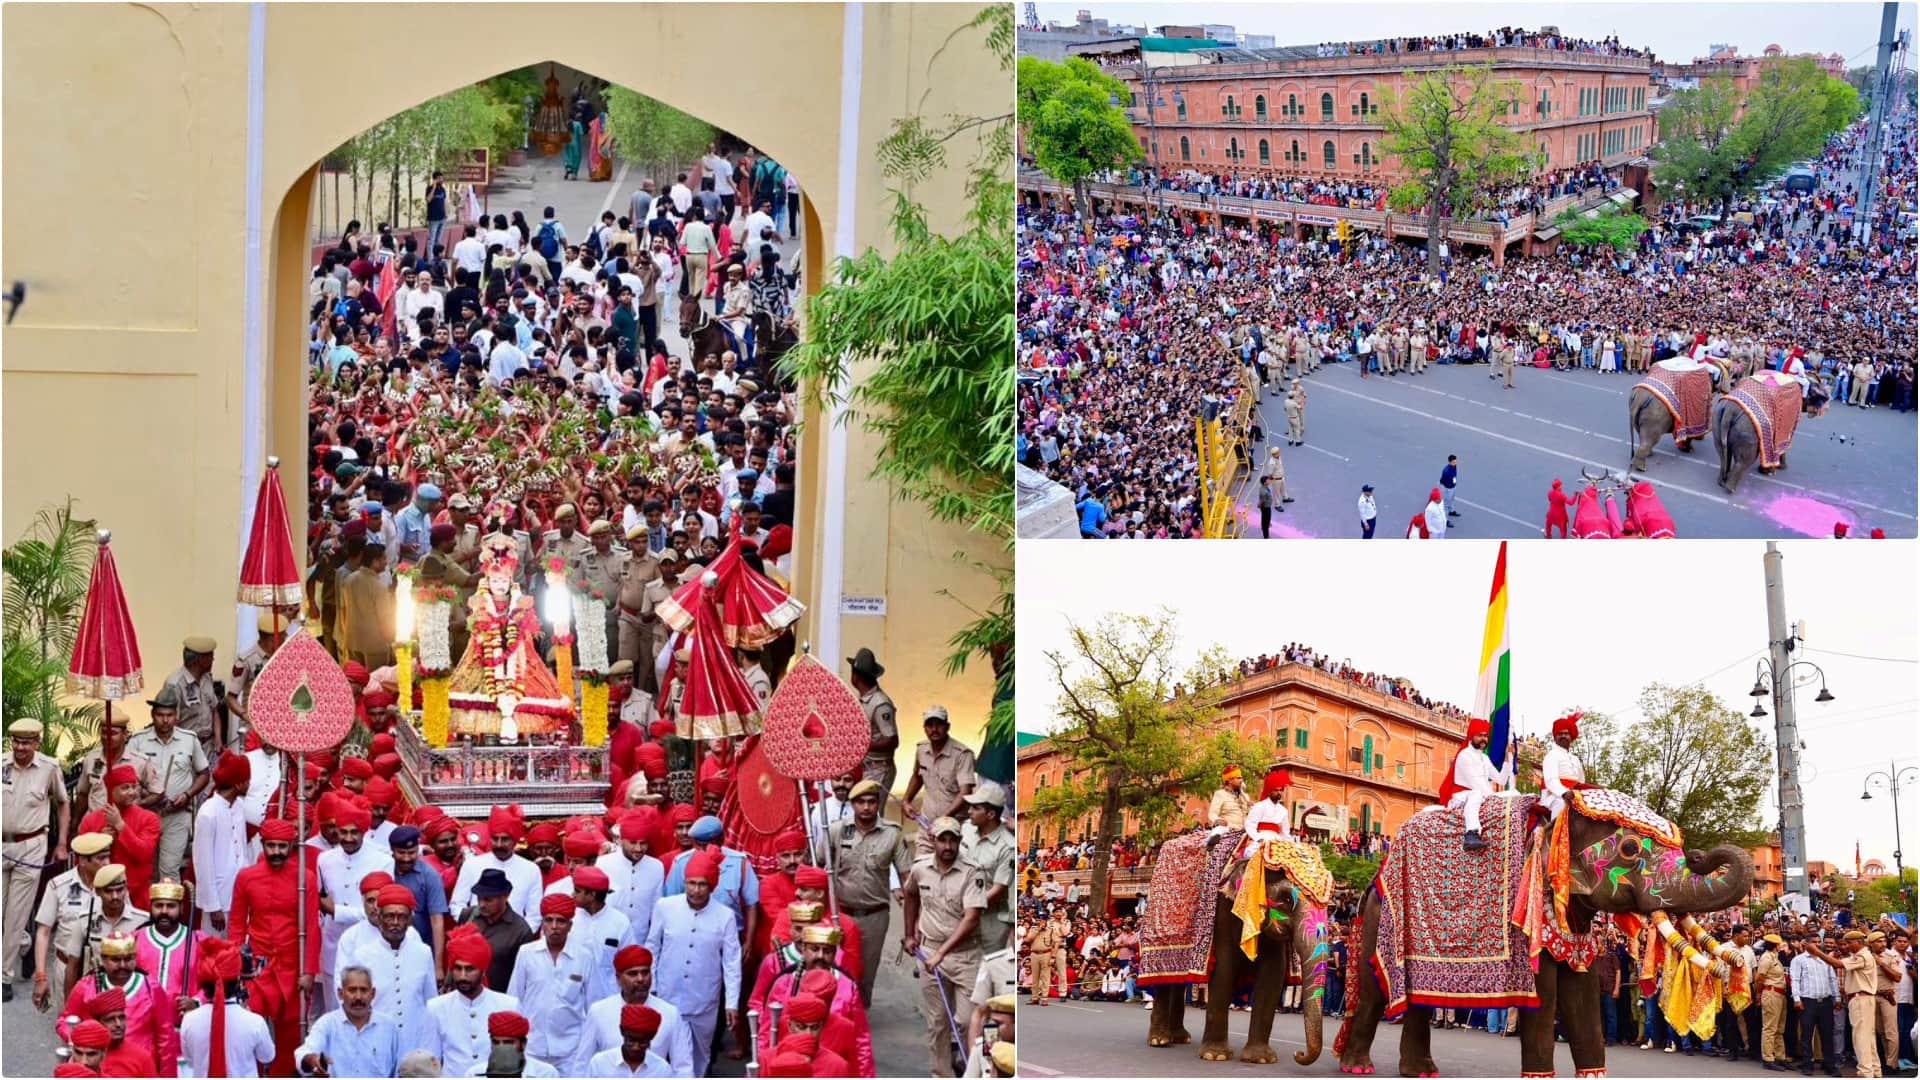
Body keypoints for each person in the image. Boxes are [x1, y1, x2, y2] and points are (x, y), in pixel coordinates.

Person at [228, 818, 322, 1076]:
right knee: (250, 1027)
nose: (277, 852)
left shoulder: (306, 879)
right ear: (263, 845)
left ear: (291, 846)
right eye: (271, 846)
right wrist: (235, 964)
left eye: (282, 846)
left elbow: (312, 927)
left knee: (290, 1034)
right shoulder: (246, 877)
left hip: (293, 966)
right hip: (257, 968)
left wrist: (309, 971)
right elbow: (236, 924)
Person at [902, 817, 987, 1077]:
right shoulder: (920, 869)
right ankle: (941, 1073)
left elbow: (972, 918)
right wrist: (909, 934)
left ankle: (974, 1070)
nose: (948, 845)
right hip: (929, 953)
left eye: (953, 840)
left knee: (968, 1021)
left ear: (960, 842)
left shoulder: (973, 871)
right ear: (933, 841)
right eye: (942, 839)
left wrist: (941, 954)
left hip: (965, 957)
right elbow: (911, 895)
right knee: (937, 1023)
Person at [644, 848, 740, 1077]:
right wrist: (652, 986)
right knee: (658, 1051)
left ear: (712, 886)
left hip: (704, 998)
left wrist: (732, 1003)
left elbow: (731, 961)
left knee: (700, 1054)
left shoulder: (724, 915)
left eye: (702, 884)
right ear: (684, 882)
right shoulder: (665, 907)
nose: (696, 890)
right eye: (691, 883)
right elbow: (652, 948)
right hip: (666, 995)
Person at [816, 778, 907, 1005]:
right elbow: (818, 865)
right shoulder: (836, 830)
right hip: (841, 914)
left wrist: (912, 921)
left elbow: (908, 878)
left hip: (874, 916)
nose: (866, 807)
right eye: (860, 802)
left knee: (865, 973)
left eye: (871, 802)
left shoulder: (893, 834)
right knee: (836, 967)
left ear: (878, 804)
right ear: (853, 804)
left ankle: (859, 1016)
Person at [5, 718, 71, 1002]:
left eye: (26, 742)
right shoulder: (1, 764)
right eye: (16, 741)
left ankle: (4, 975)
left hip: (31, 845)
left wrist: (61, 843)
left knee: (16, 913)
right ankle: (23, 941)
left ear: (37, 743)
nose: (20, 747)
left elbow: (63, 802)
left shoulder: (49, 767)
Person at [128, 684, 209, 882]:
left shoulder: (189, 740)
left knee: (169, 873)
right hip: (145, 815)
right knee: (145, 871)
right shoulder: (138, 741)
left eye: (170, 715)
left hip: (176, 815)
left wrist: (188, 795)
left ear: (177, 716)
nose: (165, 720)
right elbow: (127, 775)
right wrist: (146, 795)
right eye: (160, 715)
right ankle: (146, 913)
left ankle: (168, 913)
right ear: (152, 715)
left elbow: (204, 773)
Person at [506, 894, 596, 1072]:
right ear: (543, 923)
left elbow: (592, 1004)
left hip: (571, 1050)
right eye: (549, 920)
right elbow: (514, 998)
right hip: (532, 1047)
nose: (554, 927)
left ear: (570, 926)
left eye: (561, 921)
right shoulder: (526, 953)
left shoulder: (584, 956)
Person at [582, 945, 695, 1077]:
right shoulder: (599, 1012)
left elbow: (683, 1068)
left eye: (645, 972)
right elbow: (582, 1063)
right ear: (618, 978)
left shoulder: (670, 1013)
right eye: (633, 974)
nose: (641, 979)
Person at [179, 938, 277, 1078]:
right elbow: (267, 1057)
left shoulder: (189, 1020)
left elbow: (190, 1061)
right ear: (238, 980)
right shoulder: (254, 1022)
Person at [297, 964, 404, 1079]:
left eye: (363, 990)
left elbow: (398, 1070)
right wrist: (311, 1059)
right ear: (340, 993)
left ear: (372, 994)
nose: (358, 997)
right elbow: (304, 1052)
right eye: (352, 990)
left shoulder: (388, 1027)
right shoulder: (327, 1024)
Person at [903, 705, 977, 856]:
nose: (934, 729)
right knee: (922, 870)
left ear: (947, 726)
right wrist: (906, 800)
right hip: (927, 825)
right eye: (929, 725)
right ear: (924, 728)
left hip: (954, 828)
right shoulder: (921, 749)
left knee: (952, 874)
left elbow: (965, 792)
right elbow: (917, 776)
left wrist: (944, 818)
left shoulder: (963, 754)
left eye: (939, 724)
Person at [191, 751, 251, 934]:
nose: (250, 784)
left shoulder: (239, 807)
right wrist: (212, 906)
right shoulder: (208, 813)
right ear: (239, 784)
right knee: (215, 954)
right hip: (218, 899)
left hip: (240, 892)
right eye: (247, 780)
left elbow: (241, 850)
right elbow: (202, 863)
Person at [1438, 718, 1514, 852]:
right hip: (1462, 796)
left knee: (1514, 794)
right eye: (1480, 736)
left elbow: (1501, 780)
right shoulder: (1464, 756)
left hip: (1483, 795)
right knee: (1476, 793)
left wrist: (1509, 758)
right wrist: (1494, 799)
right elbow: (1476, 784)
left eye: (1485, 736)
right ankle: (1471, 834)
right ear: (1471, 736)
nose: (1483, 739)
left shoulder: (1484, 758)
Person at [1792, 933, 1844, 1077]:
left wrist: (1837, 998)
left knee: (1827, 1034)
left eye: (1818, 941)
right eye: (1813, 942)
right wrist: (1797, 999)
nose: (1817, 944)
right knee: (1807, 1035)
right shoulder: (1799, 960)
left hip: (1825, 1001)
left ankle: (1830, 1065)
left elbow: (1832, 979)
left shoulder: (1825, 960)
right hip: (1807, 1001)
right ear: (1806, 944)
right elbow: (1795, 980)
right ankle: (1807, 1064)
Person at [848, 649, 898, 797]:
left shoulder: (880, 704)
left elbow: (892, 741)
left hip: (879, 769)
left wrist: (861, 745)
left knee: (871, 814)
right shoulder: (864, 699)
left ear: (855, 676)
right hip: (866, 767)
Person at [162, 636, 222, 758]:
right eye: (210, 656)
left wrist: (218, 738)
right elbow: (168, 723)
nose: (213, 659)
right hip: (185, 749)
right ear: (198, 660)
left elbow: (214, 710)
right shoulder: (175, 684)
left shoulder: (207, 678)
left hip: (208, 748)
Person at [587, 1003, 675, 1077]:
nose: (636, 1047)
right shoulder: (599, 1064)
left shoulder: (662, 1069)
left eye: (642, 1042)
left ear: (651, 1039)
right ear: (622, 1032)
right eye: (631, 1040)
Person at [1840, 930, 1882, 1078]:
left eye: (1849, 943)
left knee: (1860, 1037)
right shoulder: (1862, 954)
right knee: (1868, 1037)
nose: (1847, 946)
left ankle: (1865, 1072)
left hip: (1861, 998)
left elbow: (1838, 963)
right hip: (1864, 998)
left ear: (1857, 942)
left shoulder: (1862, 955)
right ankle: (1874, 1070)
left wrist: (1816, 952)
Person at [1538, 712, 1588, 821]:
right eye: (1560, 734)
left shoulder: (1575, 759)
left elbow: (1581, 781)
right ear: (1555, 737)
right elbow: (1551, 780)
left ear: (1571, 737)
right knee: (1561, 804)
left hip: (1574, 795)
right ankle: (1555, 836)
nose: (1563, 736)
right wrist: (1564, 792)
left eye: (1566, 733)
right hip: (1554, 796)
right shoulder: (1551, 755)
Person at [1757, 932, 1791, 1069]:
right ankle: (1768, 1058)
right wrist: (1758, 994)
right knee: (1770, 1028)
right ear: (1775, 945)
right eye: (1779, 944)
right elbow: (1760, 978)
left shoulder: (1775, 957)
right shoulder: (1766, 958)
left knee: (1779, 1028)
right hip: (1771, 993)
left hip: (1780, 994)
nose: (1781, 946)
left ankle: (1779, 1056)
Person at [1241, 768, 1294, 843]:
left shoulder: (1283, 810)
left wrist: (1290, 844)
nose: (1279, 792)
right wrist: (1258, 838)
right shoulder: (1260, 806)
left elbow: (1285, 832)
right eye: (1276, 790)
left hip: (1276, 840)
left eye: (1281, 790)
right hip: (1259, 838)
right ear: (1269, 792)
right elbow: (1250, 824)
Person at [1206, 765, 1250, 833]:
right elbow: (1212, 813)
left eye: (1241, 778)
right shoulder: (1220, 794)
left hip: (1245, 834)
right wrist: (1217, 820)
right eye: (1238, 778)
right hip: (1228, 833)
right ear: (1230, 780)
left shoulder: (1245, 796)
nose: (1241, 780)